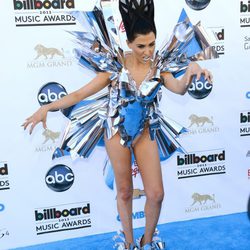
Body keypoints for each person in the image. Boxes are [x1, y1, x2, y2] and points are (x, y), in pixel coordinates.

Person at [22, 0, 213, 249]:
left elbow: (178, 89)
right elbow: (79, 95)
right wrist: (46, 107)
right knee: (124, 191)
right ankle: (129, 243)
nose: (148, 51)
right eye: (141, 46)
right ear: (129, 44)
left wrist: (190, 73)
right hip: (116, 132)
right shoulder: (115, 65)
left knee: (156, 194)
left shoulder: (159, 65)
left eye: (152, 44)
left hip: (146, 131)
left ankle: (147, 240)